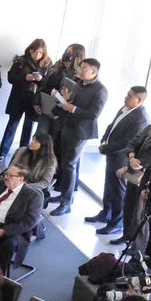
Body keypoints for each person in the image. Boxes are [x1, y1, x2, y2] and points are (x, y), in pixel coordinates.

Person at [86, 86, 150, 236]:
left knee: (118, 191)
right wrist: (104, 140)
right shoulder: (124, 108)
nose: (125, 97)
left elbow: (128, 142)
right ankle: (105, 213)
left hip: (121, 158)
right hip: (111, 154)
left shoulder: (141, 118)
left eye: (130, 96)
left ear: (139, 100)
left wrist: (106, 148)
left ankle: (116, 223)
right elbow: (112, 125)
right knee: (109, 187)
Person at [49, 56, 109, 216]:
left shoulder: (100, 90)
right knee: (63, 162)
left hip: (80, 132)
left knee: (69, 165)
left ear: (94, 72)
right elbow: (70, 102)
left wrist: (73, 108)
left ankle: (66, 203)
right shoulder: (79, 83)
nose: (80, 71)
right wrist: (64, 100)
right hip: (67, 125)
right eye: (80, 67)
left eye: (84, 69)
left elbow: (93, 115)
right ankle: (63, 195)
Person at [115, 102, 151, 246]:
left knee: (138, 212)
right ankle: (127, 235)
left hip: (147, 176)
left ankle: (137, 244)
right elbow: (134, 142)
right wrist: (131, 157)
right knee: (128, 205)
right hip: (135, 169)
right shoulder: (150, 128)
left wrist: (133, 166)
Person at [0, 39, 50, 163]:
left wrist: (41, 79)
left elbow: (47, 83)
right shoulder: (20, 60)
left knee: (28, 127)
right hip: (18, 98)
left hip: (34, 100)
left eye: (41, 53)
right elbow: (11, 77)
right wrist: (25, 77)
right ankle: (3, 152)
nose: (38, 55)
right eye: (36, 52)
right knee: (12, 125)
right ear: (31, 50)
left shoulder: (46, 64)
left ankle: (23, 154)